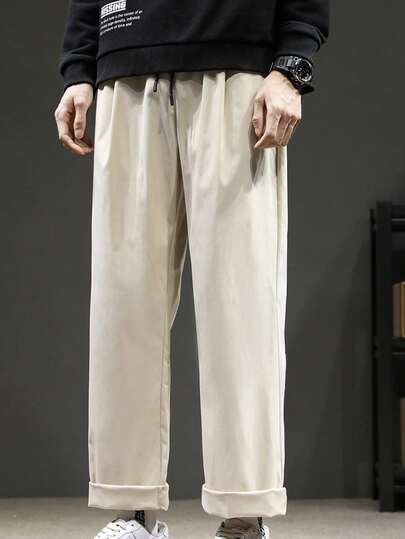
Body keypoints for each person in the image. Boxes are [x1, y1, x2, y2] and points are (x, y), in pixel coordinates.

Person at [54, 1, 329, 538]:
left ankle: (244, 517)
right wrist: (79, 66)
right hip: (127, 67)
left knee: (241, 306)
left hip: (235, 65)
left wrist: (291, 63)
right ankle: (131, 513)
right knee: (123, 308)